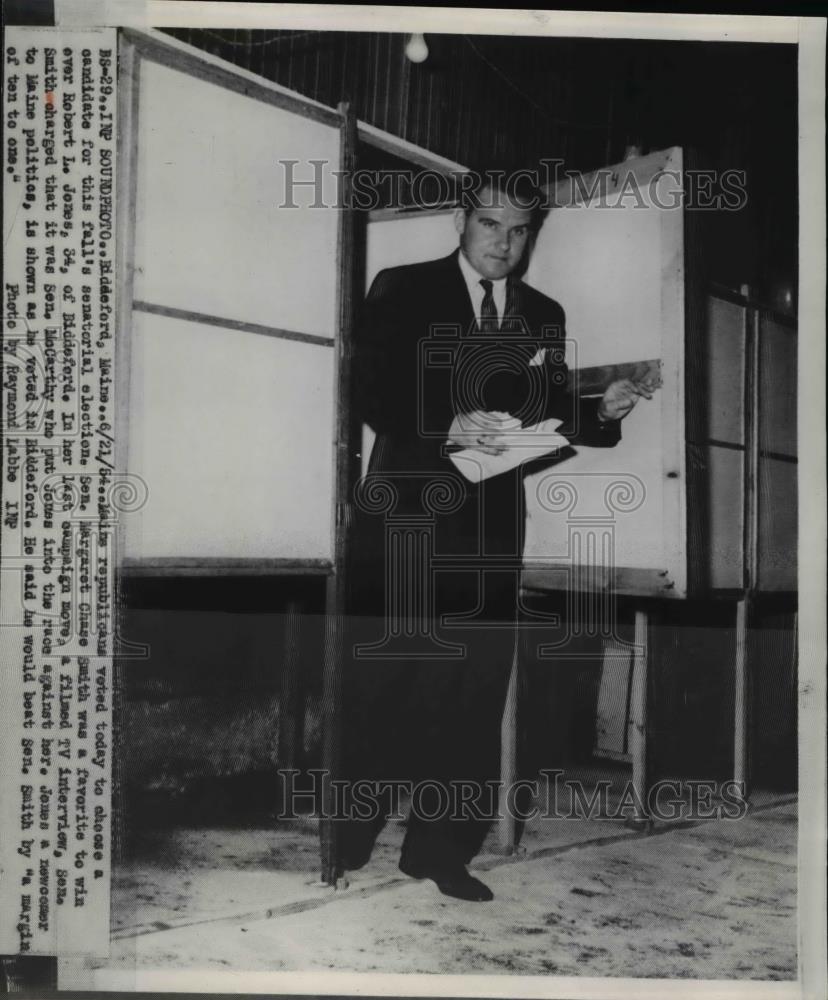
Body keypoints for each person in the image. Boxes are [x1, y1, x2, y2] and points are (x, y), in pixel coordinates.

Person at [339, 171, 649, 901]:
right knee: (383, 678)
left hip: (487, 529)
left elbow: (544, 412)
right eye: (489, 225)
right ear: (460, 220)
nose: (503, 244)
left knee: (472, 692)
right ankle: (348, 832)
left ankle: (439, 852)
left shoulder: (542, 312)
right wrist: (444, 423)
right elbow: (369, 388)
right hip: (404, 519)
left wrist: (604, 411)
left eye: (519, 231)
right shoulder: (403, 287)